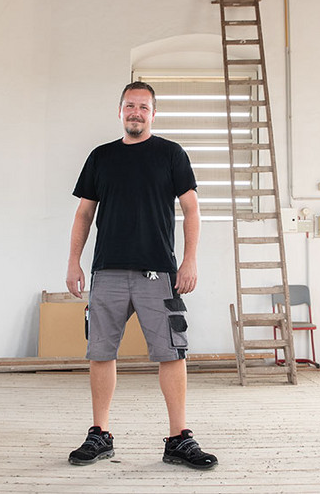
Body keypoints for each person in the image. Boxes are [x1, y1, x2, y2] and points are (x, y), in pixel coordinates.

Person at [65, 81, 217, 470]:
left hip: (158, 272)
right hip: (108, 271)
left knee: (172, 353)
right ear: (120, 111)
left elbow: (192, 209)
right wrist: (73, 262)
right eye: (130, 106)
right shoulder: (101, 157)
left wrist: (190, 261)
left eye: (143, 107)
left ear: (153, 114)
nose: (136, 112)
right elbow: (84, 214)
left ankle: (179, 438)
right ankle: (100, 434)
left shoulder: (171, 154)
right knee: (100, 352)